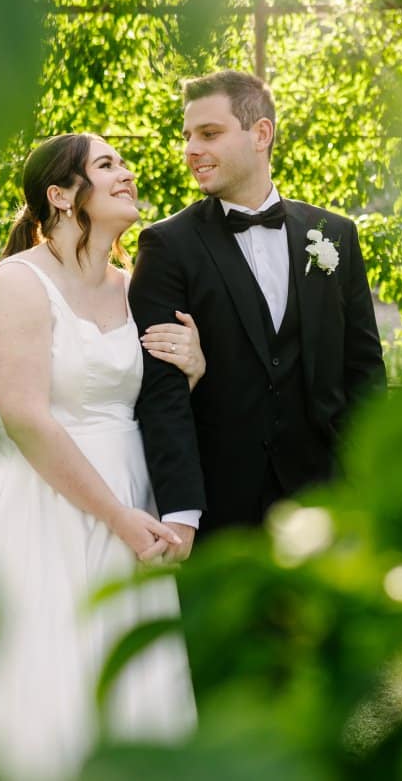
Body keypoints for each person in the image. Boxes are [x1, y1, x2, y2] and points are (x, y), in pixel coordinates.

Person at [0, 133, 199, 779]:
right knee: (42, 674)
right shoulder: (18, 282)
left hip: (135, 495)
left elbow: (157, 401)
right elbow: (26, 418)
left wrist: (196, 367)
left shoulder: (135, 286)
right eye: (107, 165)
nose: (127, 173)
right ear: (63, 195)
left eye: (124, 162)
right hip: (44, 504)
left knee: (124, 677)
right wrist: (117, 516)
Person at [129, 70, 386, 559]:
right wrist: (182, 512)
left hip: (326, 503)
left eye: (209, 134)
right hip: (221, 506)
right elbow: (161, 392)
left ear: (261, 134)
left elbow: (365, 373)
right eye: (187, 137)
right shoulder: (167, 246)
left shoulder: (336, 235)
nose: (191, 150)